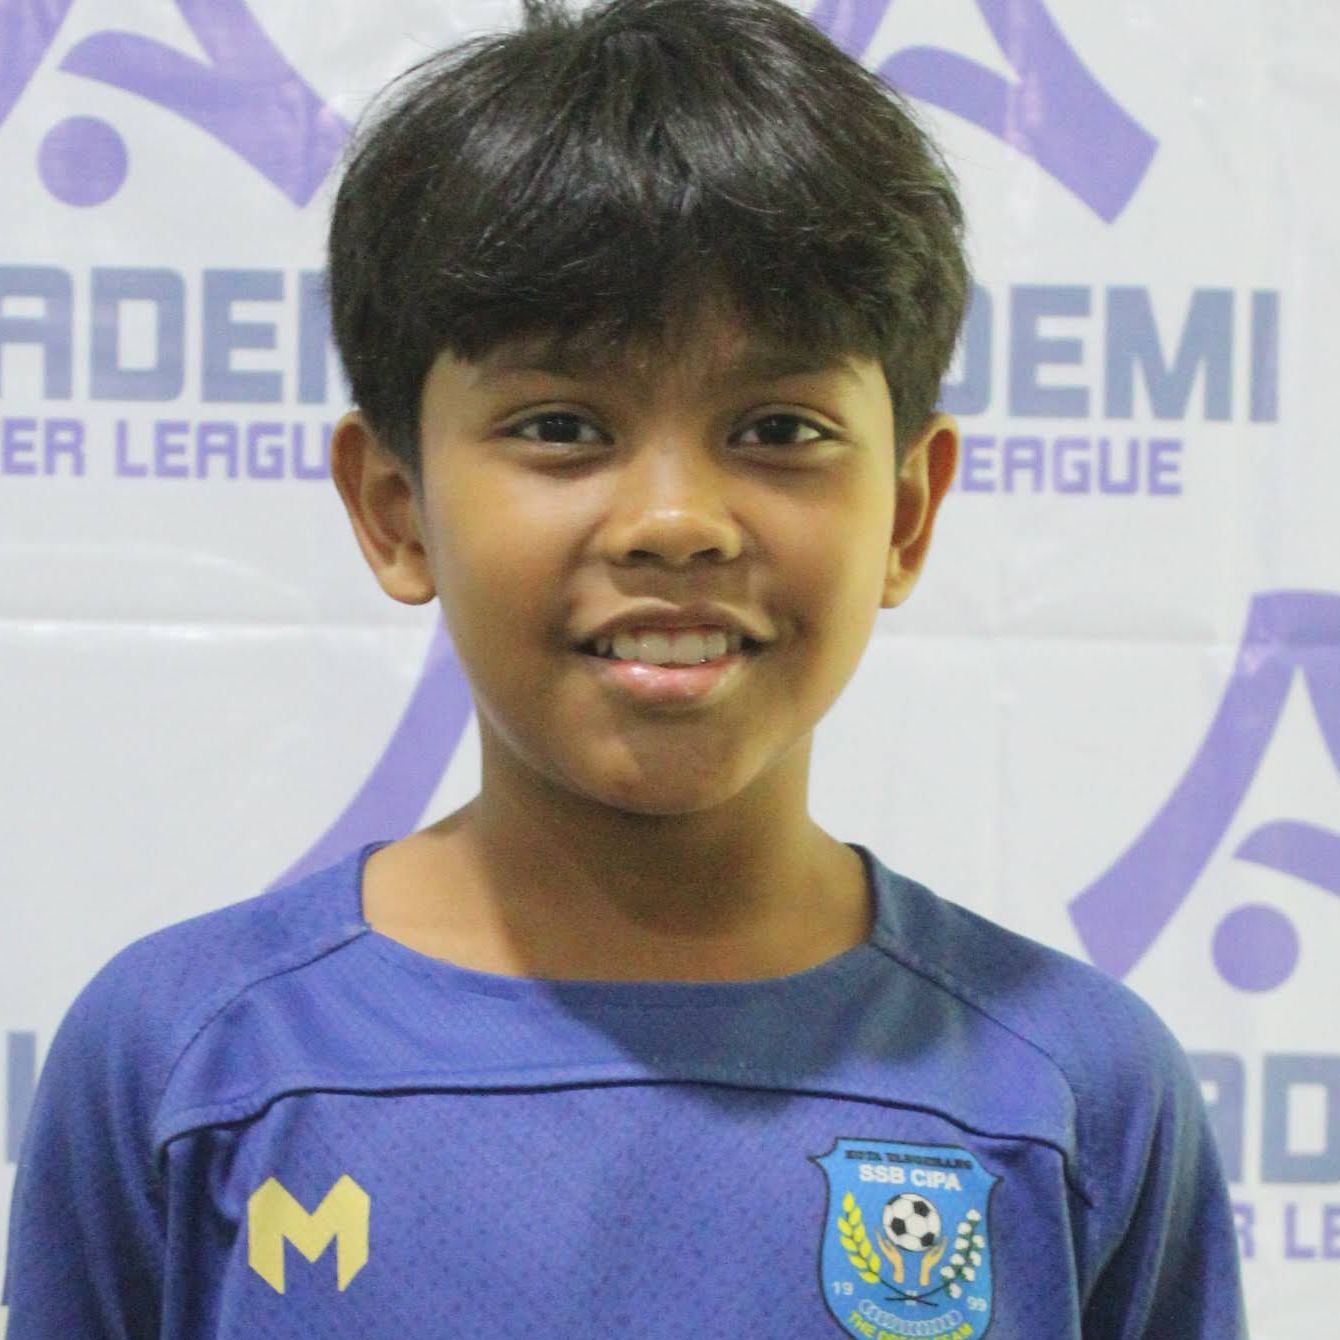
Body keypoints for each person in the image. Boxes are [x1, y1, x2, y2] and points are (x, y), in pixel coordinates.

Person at [4, 1, 1247, 1335]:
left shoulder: (1073, 1090)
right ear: (394, 507)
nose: (674, 521)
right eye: (561, 426)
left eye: (778, 427)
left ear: (906, 510)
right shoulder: (187, 1062)